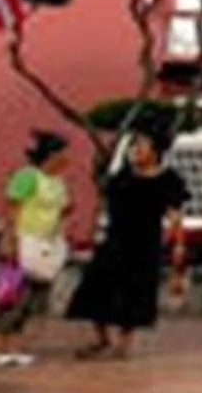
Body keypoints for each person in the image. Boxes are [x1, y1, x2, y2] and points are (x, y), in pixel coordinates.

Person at [67, 129, 189, 359]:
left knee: (134, 292)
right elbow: (105, 207)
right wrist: (96, 233)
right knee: (96, 287)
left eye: (142, 146)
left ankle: (123, 342)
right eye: (134, 146)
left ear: (156, 152)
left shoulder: (169, 180)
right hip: (115, 238)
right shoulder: (122, 176)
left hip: (145, 242)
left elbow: (175, 216)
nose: (136, 150)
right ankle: (101, 338)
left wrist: (178, 245)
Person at [0, 133, 72, 369]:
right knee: (9, 295)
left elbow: (64, 208)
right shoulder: (27, 176)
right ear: (51, 155)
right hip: (23, 238)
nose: (66, 158)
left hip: (45, 244)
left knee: (30, 300)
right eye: (62, 153)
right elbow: (12, 207)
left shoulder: (58, 182)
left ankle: (15, 346)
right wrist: (9, 239)